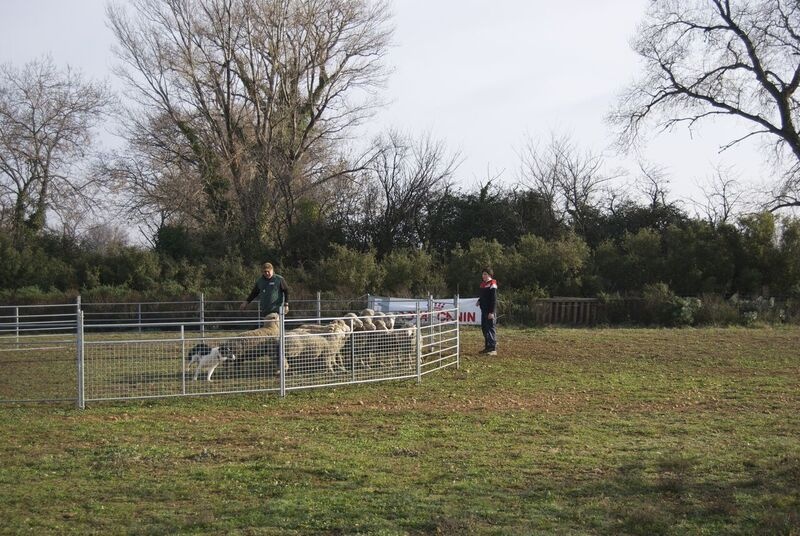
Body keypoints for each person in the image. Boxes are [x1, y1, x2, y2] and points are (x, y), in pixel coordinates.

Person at [476, 267, 497, 355]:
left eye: (485, 274)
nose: (483, 276)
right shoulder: (482, 284)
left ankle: (493, 348)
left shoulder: (492, 283)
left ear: (489, 275)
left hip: (489, 311)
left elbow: (493, 299)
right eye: (483, 274)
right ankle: (487, 347)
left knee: (490, 328)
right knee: (484, 328)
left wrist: (492, 312)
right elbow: (483, 296)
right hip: (483, 310)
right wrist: (479, 301)